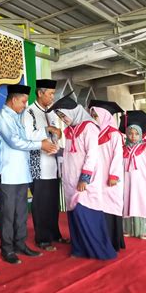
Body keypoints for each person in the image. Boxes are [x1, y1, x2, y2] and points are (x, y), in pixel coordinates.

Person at [48, 93, 116, 260]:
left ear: (73, 112)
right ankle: (79, 249)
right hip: (70, 180)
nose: (63, 119)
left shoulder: (89, 128)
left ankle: (99, 251)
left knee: (86, 213)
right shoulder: (70, 130)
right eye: (60, 117)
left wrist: (84, 178)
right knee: (74, 216)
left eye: (64, 115)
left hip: (84, 181)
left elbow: (92, 155)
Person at [0, 84, 53, 264]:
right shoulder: (2, 117)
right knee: (8, 213)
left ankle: (20, 244)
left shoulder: (16, 117)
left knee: (21, 213)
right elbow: (15, 142)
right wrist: (41, 144)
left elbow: (25, 138)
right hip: (7, 173)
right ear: (14, 99)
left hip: (20, 173)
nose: (25, 105)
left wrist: (43, 136)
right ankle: (7, 249)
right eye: (24, 101)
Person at [22, 79, 67, 251]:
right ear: (40, 93)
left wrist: (58, 133)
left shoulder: (52, 113)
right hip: (38, 164)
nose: (52, 97)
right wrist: (47, 130)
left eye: (53, 94)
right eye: (50, 94)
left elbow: (56, 133)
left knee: (53, 202)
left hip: (53, 164)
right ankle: (42, 238)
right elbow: (28, 135)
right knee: (41, 203)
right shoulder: (30, 112)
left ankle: (55, 234)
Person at [89, 100, 125, 252]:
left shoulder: (114, 134)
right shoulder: (93, 133)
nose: (93, 118)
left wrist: (113, 175)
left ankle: (113, 241)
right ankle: (100, 240)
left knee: (111, 206)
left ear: (104, 115)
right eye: (92, 115)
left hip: (110, 177)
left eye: (95, 115)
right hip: (97, 177)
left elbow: (118, 156)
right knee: (99, 206)